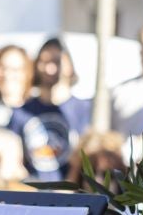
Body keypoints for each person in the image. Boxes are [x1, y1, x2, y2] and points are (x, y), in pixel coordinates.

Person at [11, 37, 90, 179]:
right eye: (44, 61)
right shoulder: (21, 112)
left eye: (56, 61)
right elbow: (14, 161)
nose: (50, 68)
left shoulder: (84, 109)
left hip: (74, 195)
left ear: (69, 65)